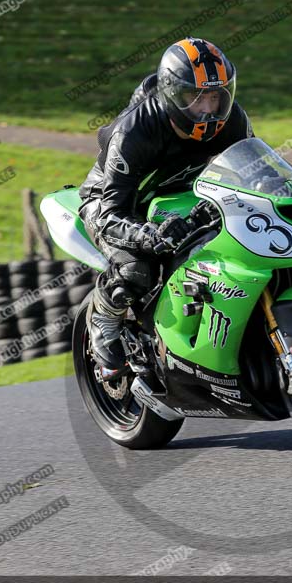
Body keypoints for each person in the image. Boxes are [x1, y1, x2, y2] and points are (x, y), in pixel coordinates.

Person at [78, 37, 254, 380]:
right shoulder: (135, 130)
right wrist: (147, 234)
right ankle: (104, 316)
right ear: (173, 93)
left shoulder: (233, 121)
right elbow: (111, 211)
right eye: (196, 97)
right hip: (114, 204)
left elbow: (253, 173)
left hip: (181, 199)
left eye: (215, 97)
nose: (208, 109)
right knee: (136, 270)